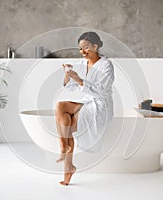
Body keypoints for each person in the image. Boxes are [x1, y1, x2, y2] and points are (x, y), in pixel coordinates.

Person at [54, 31, 115, 185]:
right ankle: (64, 148)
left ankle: (68, 165)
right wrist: (68, 75)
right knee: (60, 106)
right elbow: (70, 87)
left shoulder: (106, 64)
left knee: (67, 124)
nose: (83, 52)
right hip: (85, 101)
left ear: (96, 46)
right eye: (80, 49)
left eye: (86, 48)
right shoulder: (82, 64)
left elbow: (102, 89)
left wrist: (80, 80)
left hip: (100, 104)